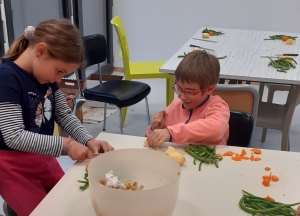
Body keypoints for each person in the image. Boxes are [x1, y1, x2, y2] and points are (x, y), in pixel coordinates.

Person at [0, 19, 114, 216]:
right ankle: (15, 205)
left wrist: (87, 140)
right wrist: (66, 146)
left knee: (67, 201)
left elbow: (63, 115)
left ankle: (16, 206)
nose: (59, 80)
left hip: (42, 156)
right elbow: (13, 136)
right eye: (59, 71)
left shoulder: (45, 76)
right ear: (41, 51)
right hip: (11, 166)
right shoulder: (6, 78)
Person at [146, 50, 230, 146]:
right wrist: (155, 128)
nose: (182, 96)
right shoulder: (175, 106)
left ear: (209, 89)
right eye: (178, 88)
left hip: (210, 159)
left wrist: (171, 133)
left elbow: (216, 129)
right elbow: (148, 139)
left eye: (189, 92)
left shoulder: (218, 107)